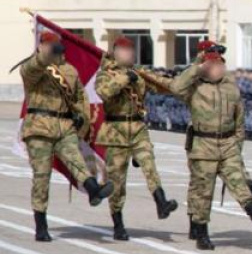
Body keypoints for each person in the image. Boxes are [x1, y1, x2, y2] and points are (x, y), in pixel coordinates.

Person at [170, 41, 252, 249]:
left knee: (238, 180)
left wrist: (237, 145)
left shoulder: (230, 87)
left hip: (227, 143)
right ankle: (201, 231)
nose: (218, 69)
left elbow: (239, 119)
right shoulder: (195, 87)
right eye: (214, 65)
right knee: (203, 190)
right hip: (204, 144)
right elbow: (175, 87)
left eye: (221, 65)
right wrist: (199, 67)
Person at [21, 31, 115, 241]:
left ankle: (94, 190)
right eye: (49, 45)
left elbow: (80, 97)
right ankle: (41, 224)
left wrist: (81, 117)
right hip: (39, 128)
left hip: (64, 126)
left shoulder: (69, 71)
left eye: (56, 45)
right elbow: (30, 69)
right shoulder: (34, 68)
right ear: (40, 46)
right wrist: (45, 55)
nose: (54, 48)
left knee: (76, 160)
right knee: (42, 177)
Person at [94, 36, 178, 241]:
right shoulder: (105, 74)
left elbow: (163, 85)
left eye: (131, 50)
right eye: (124, 50)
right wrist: (124, 79)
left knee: (149, 164)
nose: (129, 53)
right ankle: (118, 223)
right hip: (116, 131)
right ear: (115, 52)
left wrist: (183, 83)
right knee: (117, 181)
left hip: (138, 128)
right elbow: (103, 92)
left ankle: (161, 202)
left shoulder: (139, 73)